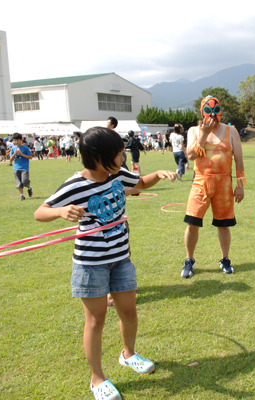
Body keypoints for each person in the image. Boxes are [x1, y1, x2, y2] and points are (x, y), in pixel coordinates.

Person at [34, 127, 176, 400]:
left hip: (121, 259)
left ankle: (128, 354)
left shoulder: (117, 175)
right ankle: (97, 378)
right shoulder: (75, 185)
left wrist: (157, 174)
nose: (124, 159)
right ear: (98, 157)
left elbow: (140, 184)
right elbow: (40, 212)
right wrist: (61, 211)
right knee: (96, 321)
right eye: (120, 154)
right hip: (91, 264)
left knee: (129, 312)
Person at [181, 96, 246, 278]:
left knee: (224, 225)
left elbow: (239, 159)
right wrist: (204, 134)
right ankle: (189, 260)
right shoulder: (194, 131)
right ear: (202, 112)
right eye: (208, 111)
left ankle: (225, 259)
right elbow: (191, 155)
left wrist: (240, 186)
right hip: (201, 181)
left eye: (216, 111)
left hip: (224, 183)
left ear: (221, 111)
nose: (213, 115)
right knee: (192, 223)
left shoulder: (231, 131)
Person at [9, 133, 33, 201]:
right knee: (18, 182)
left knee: (25, 181)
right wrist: (14, 154)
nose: (16, 142)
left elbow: (30, 157)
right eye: (15, 140)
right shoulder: (13, 148)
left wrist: (21, 154)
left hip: (24, 167)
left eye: (17, 140)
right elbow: (11, 159)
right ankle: (22, 195)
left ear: (21, 140)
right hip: (16, 167)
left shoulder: (25, 148)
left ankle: (29, 188)